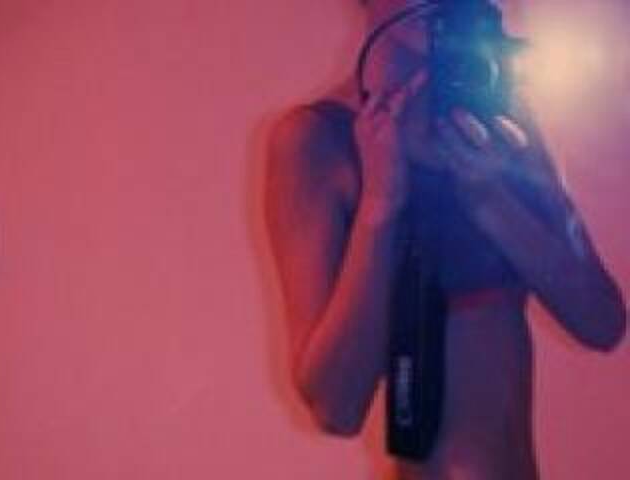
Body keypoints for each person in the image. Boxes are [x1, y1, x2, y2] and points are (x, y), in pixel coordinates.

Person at [263, 0, 627, 478]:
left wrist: (489, 199)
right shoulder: (318, 140)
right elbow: (335, 406)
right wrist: (381, 205)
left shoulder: (506, 120)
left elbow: (602, 321)